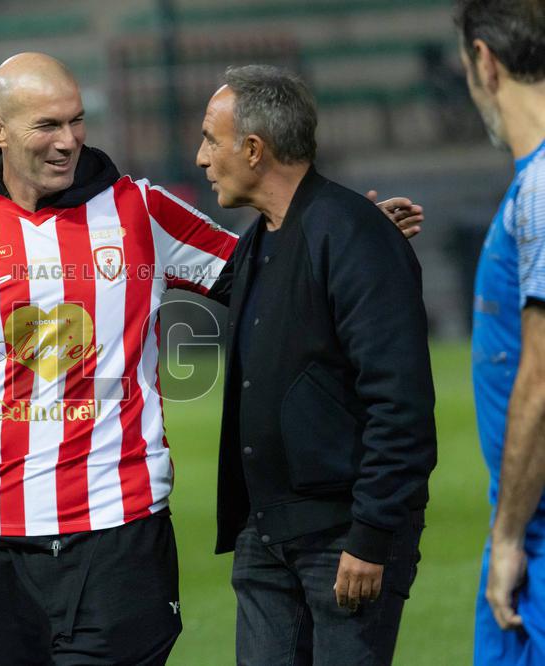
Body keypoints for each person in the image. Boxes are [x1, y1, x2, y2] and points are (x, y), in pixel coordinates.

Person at [0, 53, 423, 665]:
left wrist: (346, 235)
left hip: (121, 533)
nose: (68, 142)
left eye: (76, 122)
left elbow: (265, 272)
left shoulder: (140, 211)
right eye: (47, 126)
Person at [195, 65, 437, 665]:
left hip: (342, 541)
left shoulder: (350, 235)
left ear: (254, 149)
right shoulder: (263, 239)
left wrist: (371, 536)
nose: (200, 158)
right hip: (266, 533)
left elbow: (400, 405)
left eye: (209, 138)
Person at [454, 1, 545, 663]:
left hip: (536, 535)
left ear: (485, 61)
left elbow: (541, 381)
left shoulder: (541, 188)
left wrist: (509, 535)